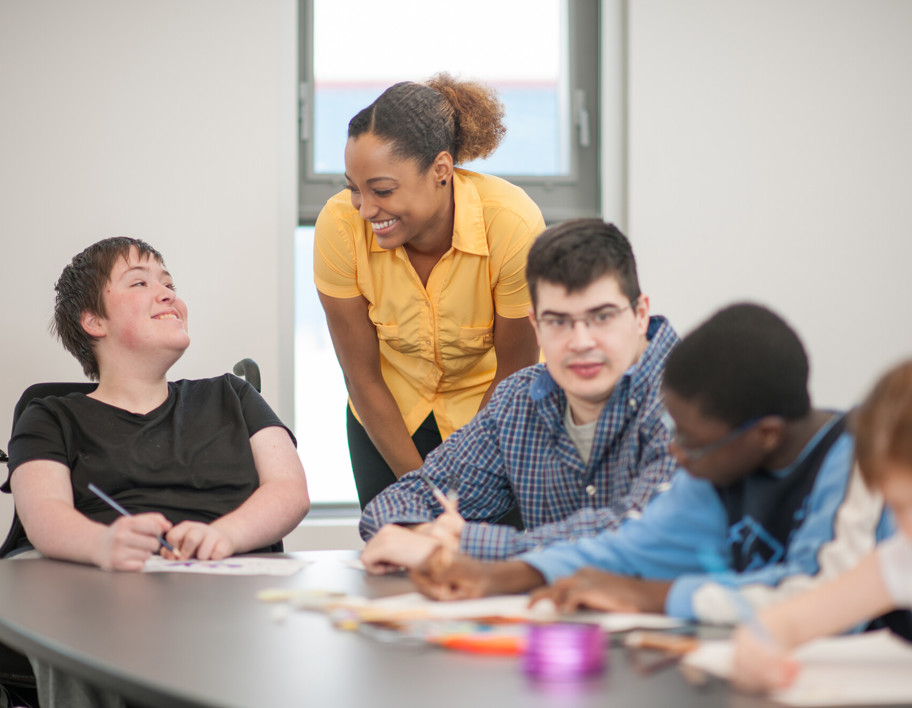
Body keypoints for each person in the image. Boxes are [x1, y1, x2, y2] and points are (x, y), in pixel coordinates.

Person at [407, 304, 894, 626]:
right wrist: (507, 576)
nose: (676, 451)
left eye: (692, 440)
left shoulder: (862, 462)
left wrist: (649, 597)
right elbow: (629, 550)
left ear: (764, 436)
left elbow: (822, 596)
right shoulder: (718, 468)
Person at [359, 218, 680, 569]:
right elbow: (401, 502)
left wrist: (456, 544)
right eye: (558, 321)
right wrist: (423, 534)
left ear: (640, 314)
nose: (581, 342)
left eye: (601, 317)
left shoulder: (689, 398)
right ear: (536, 327)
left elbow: (641, 535)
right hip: (554, 618)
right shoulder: (521, 400)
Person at [5, 237, 310, 569]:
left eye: (168, 284)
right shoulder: (49, 418)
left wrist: (225, 535)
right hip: (108, 592)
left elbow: (290, 491)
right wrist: (102, 544)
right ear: (94, 321)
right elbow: (43, 514)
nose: (169, 294)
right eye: (139, 282)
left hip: (231, 587)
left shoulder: (233, 396)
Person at [314, 73, 545, 509]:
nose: (364, 209)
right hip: (388, 414)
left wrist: (468, 482)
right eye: (353, 189)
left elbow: (514, 372)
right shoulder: (339, 227)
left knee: (487, 561)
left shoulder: (512, 225)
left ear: (441, 170)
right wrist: (422, 489)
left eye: (381, 190)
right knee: (397, 558)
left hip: (493, 412)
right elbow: (361, 375)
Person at [731, 360, 912, 694]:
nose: (906, 528)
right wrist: (757, 648)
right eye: (897, 507)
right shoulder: (902, 560)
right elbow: (786, 622)